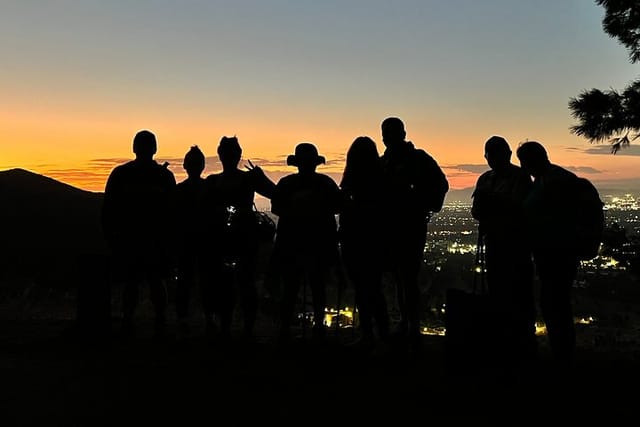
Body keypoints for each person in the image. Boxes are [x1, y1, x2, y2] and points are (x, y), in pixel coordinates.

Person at [379, 117, 449, 352]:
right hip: (391, 225)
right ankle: (405, 321)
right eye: (384, 132)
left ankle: (412, 325)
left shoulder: (417, 159)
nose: (386, 136)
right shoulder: (386, 161)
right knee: (400, 277)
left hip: (409, 224)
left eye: (390, 131)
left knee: (407, 276)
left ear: (402, 133)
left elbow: (440, 184)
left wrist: (420, 203)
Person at [101, 130, 176, 339]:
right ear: (155, 149)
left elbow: (108, 210)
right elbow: (172, 212)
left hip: (134, 240)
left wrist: (111, 237)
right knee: (149, 282)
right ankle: (156, 322)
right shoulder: (164, 176)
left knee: (137, 282)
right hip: (144, 240)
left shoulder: (121, 174)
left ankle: (131, 322)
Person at [471, 136, 537, 365]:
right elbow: (477, 211)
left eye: (498, 153)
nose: (494, 158)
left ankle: (523, 340)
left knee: (519, 292)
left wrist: (494, 203)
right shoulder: (486, 179)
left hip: (516, 245)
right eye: (491, 154)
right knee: (497, 290)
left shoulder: (519, 178)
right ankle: (503, 337)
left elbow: (523, 210)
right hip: (495, 242)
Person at [204, 136, 276, 343]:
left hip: (231, 239)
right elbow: (274, 193)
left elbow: (274, 193)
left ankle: (232, 328)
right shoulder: (245, 179)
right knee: (242, 284)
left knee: (235, 284)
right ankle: (244, 329)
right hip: (238, 238)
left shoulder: (216, 181)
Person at [516, 141, 581, 368]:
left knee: (556, 304)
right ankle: (561, 353)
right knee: (555, 304)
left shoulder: (553, 183)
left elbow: (556, 219)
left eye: (524, 162)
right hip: (552, 255)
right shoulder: (549, 180)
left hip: (557, 254)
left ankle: (563, 356)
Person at [271, 142, 341, 346]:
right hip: (317, 244)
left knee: (292, 288)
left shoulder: (286, 184)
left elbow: (277, 208)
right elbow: (337, 206)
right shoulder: (325, 183)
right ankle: (317, 328)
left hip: (293, 244)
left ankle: (286, 329)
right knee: (314, 287)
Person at [338, 136, 390, 352]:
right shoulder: (381, 179)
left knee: (362, 287)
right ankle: (382, 333)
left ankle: (368, 333)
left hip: (354, 237)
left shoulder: (351, 182)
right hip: (374, 238)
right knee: (373, 287)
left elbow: (342, 206)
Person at [174, 145, 208, 341]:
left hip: (188, 242)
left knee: (187, 283)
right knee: (203, 282)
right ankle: (207, 319)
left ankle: (184, 320)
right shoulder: (209, 189)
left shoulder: (179, 190)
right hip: (202, 243)